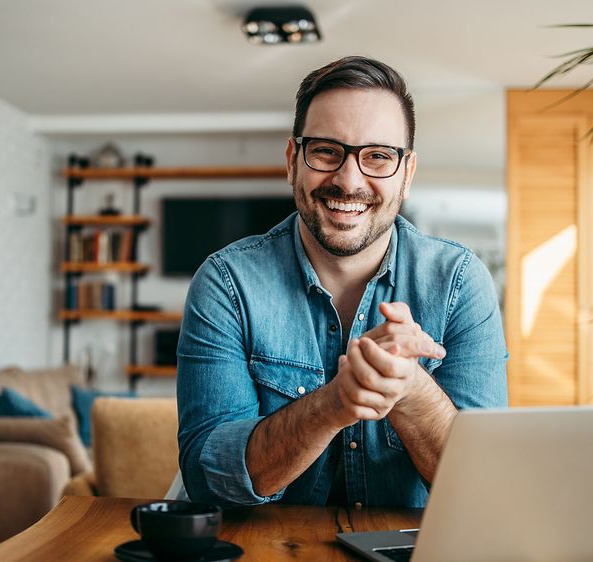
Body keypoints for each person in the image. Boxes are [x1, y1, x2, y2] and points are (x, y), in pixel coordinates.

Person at [176, 56, 507, 508]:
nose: (349, 181)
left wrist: (410, 388)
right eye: (327, 151)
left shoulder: (460, 283)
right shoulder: (226, 282)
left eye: (377, 156)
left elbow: (485, 489)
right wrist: (334, 403)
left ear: (406, 174)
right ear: (294, 161)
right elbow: (209, 481)